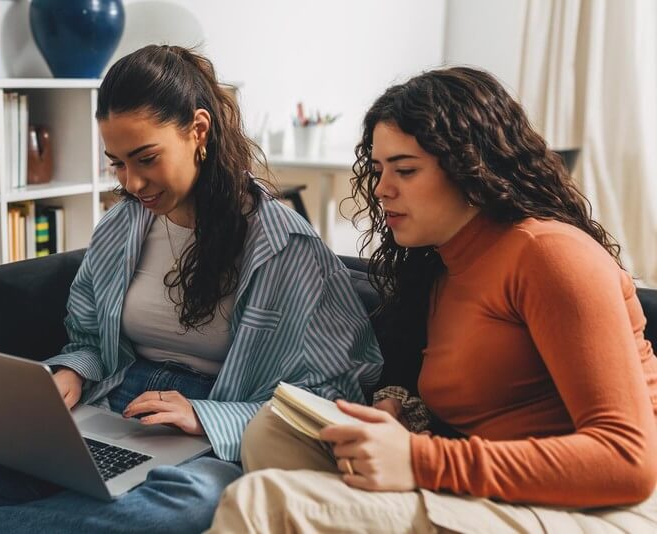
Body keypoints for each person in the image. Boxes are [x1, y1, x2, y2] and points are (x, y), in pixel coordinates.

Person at [0, 45, 382, 534]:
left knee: (189, 504)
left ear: (199, 130)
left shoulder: (287, 247)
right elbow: (87, 337)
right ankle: (72, 510)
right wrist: (71, 371)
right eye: (118, 163)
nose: (130, 183)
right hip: (109, 402)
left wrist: (207, 416)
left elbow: (338, 395)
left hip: (210, 437)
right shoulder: (122, 227)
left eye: (146, 158)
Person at [206, 66, 657, 533]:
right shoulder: (442, 267)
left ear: (472, 168)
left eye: (405, 170)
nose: (381, 189)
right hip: (502, 487)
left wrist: (421, 460)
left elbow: (627, 461)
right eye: (379, 170)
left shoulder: (549, 255)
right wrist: (406, 415)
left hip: (602, 507)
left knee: (263, 502)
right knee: (274, 430)